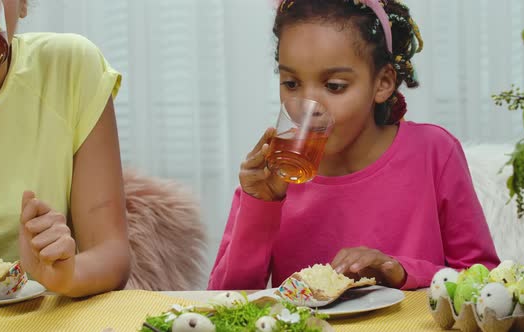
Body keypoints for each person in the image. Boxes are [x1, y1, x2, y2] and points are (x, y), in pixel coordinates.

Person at [209, 0, 499, 290]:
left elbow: (485, 282)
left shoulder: (434, 152)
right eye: (291, 83)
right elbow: (224, 302)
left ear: (383, 83)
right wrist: (261, 207)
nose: (309, 108)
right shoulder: (273, 176)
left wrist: (397, 271)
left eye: (334, 86)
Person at [0, 0, 131, 297]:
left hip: (46, 313)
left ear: (23, 4)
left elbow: (111, 252)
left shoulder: (69, 66)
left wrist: (66, 276)